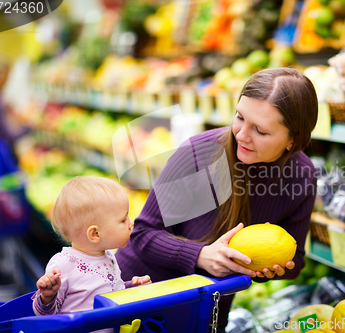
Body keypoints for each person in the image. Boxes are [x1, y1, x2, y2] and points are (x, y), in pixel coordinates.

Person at [116, 67, 318, 331]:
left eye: (260, 130)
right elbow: (142, 233)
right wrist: (200, 255)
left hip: (206, 311)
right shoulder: (199, 154)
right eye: (239, 117)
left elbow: (296, 260)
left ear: (293, 140)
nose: (242, 135)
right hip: (143, 301)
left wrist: (270, 268)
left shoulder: (301, 176)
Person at [32, 176, 151, 326]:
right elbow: (45, 314)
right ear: (95, 234)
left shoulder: (107, 255)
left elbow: (110, 289)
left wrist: (130, 287)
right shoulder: (63, 266)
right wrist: (48, 296)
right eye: (123, 219)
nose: (131, 223)